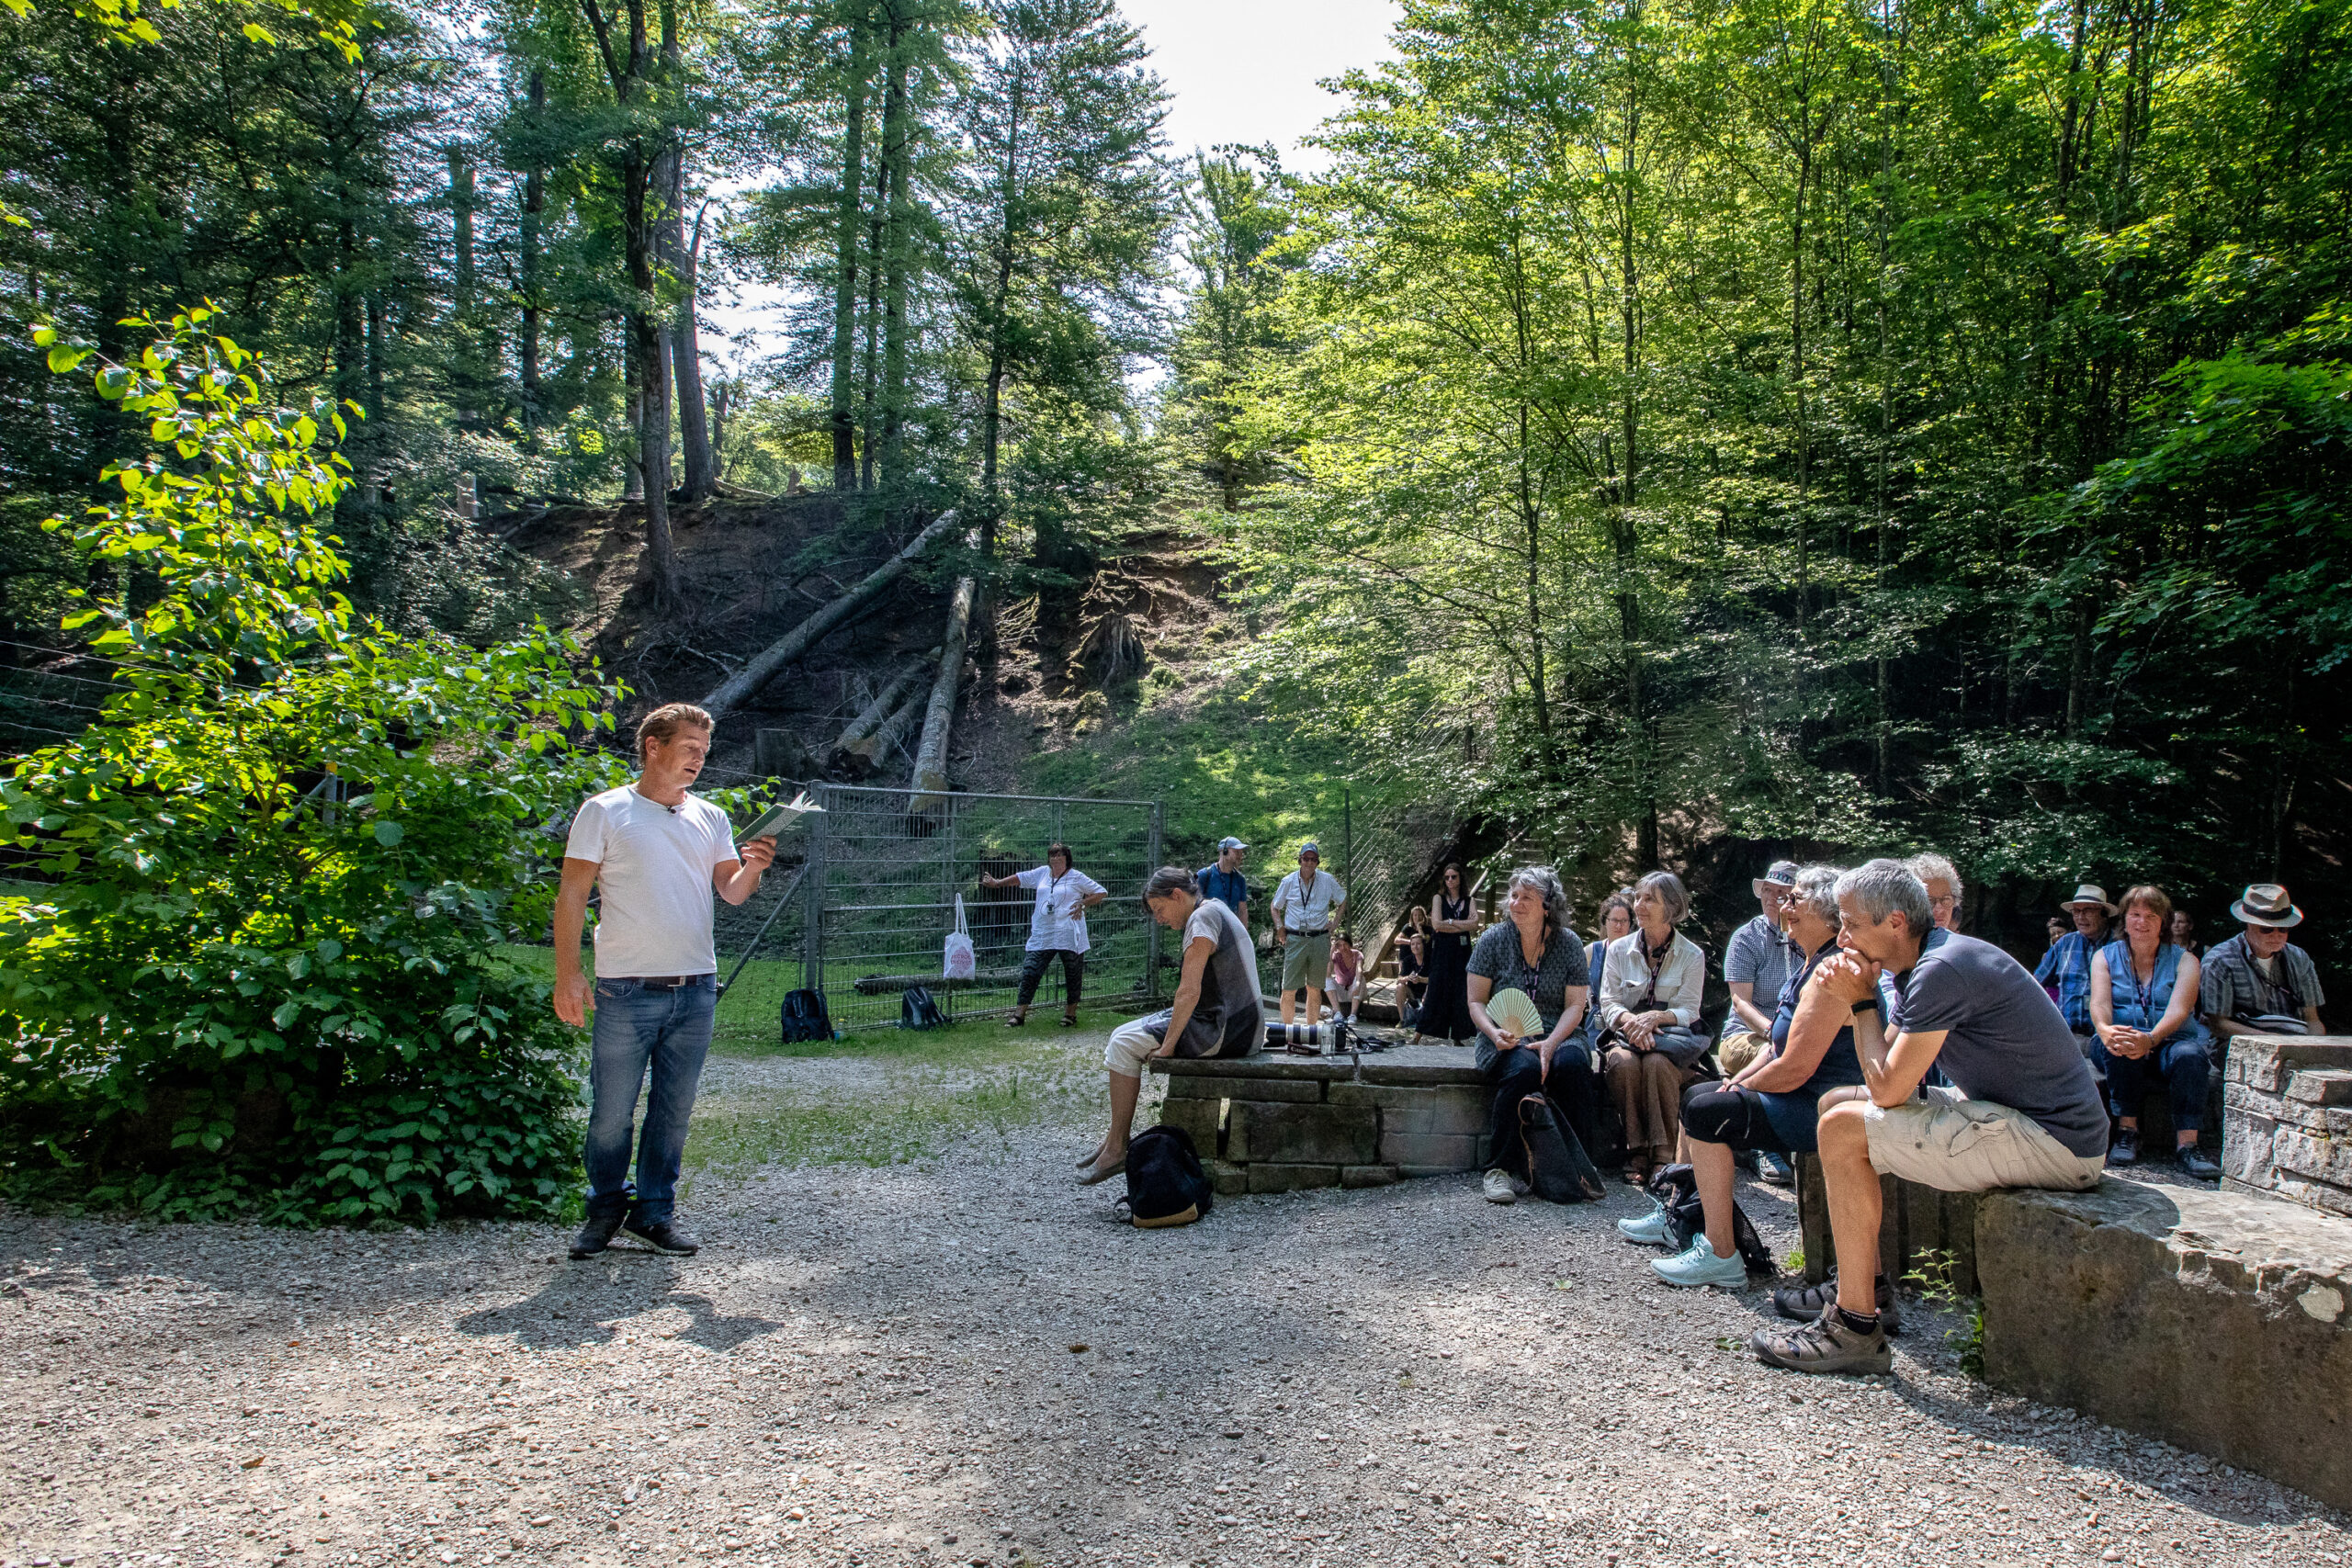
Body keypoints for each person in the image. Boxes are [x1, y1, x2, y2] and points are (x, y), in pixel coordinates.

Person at [1750, 861, 2108, 1375]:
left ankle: (1853, 1327)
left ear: (1895, 922)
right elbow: (1886, 1060)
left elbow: (1889, 1089)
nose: (1842, 936)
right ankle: (1866, 1287)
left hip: (2054, 1144)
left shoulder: (1942, 970)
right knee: (1835, 1104)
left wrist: (1862, 1000)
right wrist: (1862, 1002)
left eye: (1851, 924)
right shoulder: (1928, 960)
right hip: (2021, 1121)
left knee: (1841, 1126)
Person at [555, 703, 778, 1260]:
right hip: (625, 988)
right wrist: (568, 974)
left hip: (696, 987)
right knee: (611, 1111)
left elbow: (731, 892)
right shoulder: (605, 811)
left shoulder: (712, 817)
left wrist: (754, 866)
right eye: (688, 749)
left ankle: (654, 1214)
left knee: (673, 1111)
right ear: (653, 746)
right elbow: (572, 897)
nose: (699, 761)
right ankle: (605, 1209)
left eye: (704, 752)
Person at [1634, 865, 1867, 1290]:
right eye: (1785, 897)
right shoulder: (1811, 961)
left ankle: (1722, 1253)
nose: (1785, 906)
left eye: (1796, 899)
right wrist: (1735, 1082)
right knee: (1701, 1094)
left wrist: (1740, 1086)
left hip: (1819, 1104)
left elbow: (1796, 1065)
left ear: (1827, 912)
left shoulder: (1832, 970)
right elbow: (1777, 1048)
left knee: (1709, 1110)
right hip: (1801, 1091)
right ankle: (1681, 1212)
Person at [1082, 867, 1264, 1185]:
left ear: (1177, 895)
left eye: (1160, 909)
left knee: (1122, 1044)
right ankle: (1115, 1138)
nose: (1159, 919)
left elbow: (1189, 990)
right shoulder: (1214, 908)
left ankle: (1118, 1148)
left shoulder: (1202, 919)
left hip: (1226, 1030)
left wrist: (1167, 1047)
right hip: (1240, 1024)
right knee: (1119, 1035)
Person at [1464, 867, 1596, 1203]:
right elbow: (1476, 1001)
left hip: (1560, 1032)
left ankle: (1575, 1165)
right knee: (1522, 1069)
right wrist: (1494, 1033)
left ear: (1547, 906)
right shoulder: (1493, 939)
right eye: (1514, 896)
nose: (1516, 903)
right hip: (1505, 1035)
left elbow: (1575, 1006)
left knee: (1572, 1066)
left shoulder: (1568, 944)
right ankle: (1499, 1169)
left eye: (1526, 897)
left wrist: (1552, 1043)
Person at [2090, 885, 2216, 1177]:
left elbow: (2180, 1009)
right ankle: (2128, 1132)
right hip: (2121, 1037)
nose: (2142, 922)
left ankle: (2188, 1146)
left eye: (2151, 915)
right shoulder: (2105, 957)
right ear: (2124, 919)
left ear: (2164, 922)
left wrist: (2151, 1038)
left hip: (2170, 1041)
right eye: (2135, 914)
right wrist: (2105, 1029)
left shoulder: (2186, 960)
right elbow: (2099, 1003)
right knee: (2119, 1043)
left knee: (2191, 1055)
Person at [1597, 871, 1709, 1184]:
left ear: (1670, 908)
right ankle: (1637, 1151)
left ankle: (1663, 1155)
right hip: (1626, 1035)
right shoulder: (1618, 950)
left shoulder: (1691, 955)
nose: (1639, 905)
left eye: (1650, 899)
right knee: (1623, 1063)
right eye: (1638, 897)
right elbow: (1608, 1001)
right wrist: (1634, 1023)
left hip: (1670, 1039)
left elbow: (1689, 1009)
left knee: (1658, 1064)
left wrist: (1656, 1019)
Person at [979, 843, 1108, 1027]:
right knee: (1031, 971)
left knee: (1073, 973)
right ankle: (1019, 1015)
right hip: (1043, 933)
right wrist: (997, 883)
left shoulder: (1076, 876)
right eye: (1052, 855)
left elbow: (1101, 892)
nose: (1055, 859)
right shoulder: (1042, 873)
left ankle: (1070, 1014)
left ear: (1066, 858)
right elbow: (1020, 878)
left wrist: (1082, 903)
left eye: (1059, 855)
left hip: (1069, 933)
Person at [2201, 883, 2327, 1040]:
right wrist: (2274, 1040)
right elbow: (2219, 1024)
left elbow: (2313, 1020)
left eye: (2283, 929)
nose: (2276, 935)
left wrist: (2312, 1046)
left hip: (2296, 1039)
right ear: (2249, 924)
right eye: (2267, 929)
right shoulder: (2220, 960)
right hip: (2237, 1043)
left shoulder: (2299, 958)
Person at [1719, 861, 1804, 1076]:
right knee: (1777, 1055)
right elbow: (1740, 1002)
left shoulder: (1808, 936)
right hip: (1747, 1035)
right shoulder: (1746, 938)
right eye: (1767, 890)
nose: (1771, 897)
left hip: (1801, 1033)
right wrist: (1774, 1031)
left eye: (1780, 892)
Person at [1270, 842, 1347, 1029]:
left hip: (1319, 938)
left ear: (1317, 862)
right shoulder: (1288, 881)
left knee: (1314, 987)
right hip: (1295, 938)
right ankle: (1288, 1031)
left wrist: (1334, 924)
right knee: (1289, 988)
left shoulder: (1327, 880)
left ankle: (1311, 1030)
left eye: (1313, 859)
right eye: (1306, 859)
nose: (1309, 863)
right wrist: (1280, 927)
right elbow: (1275, 907)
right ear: (1300, 860)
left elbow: (1343, 900)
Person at [2035, 883, 2116, 1053]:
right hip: (2067, 1038)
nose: (2081, 917)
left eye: (2088, 910)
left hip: (2107, 1041)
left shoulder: (2119, 946)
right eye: (2076, 911)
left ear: (2104, 914)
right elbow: (2035, 985)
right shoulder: (2065, 944)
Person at [1419, 862, 1479, 1043]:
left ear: (1460, 878)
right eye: (1447, 877)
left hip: (1462, 951)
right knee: (1437, 987)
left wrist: (1450, 923)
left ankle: (1459, 1035)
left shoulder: (1469, 901)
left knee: (1461, 990)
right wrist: (1461, 925)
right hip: (1443, 950)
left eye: (1454, 876)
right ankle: (1420, 1032)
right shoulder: (1438, 898)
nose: (1450, 880)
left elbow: (1475, 924)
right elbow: (1437, 924)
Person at [1197, 837, 1251, 929]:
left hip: (1230, 932)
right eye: (1236, 852)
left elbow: (1242, 910)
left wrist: (1243, 937)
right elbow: (1193, 904)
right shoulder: (1204, 875)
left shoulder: (1240, 879)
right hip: (1207, 929)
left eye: (1241, 852)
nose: (1240, 855)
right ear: (1224, 851)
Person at [1906, 852, 1963, 931]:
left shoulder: (1968, 944)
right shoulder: (1888, 942)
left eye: (1946, 900)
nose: (1939, 910)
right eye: (1929, 901)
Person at [1397, 906, 1432, 1036]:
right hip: (1412, 991)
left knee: (1431, 986)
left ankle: (1425, 1022)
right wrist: (1407, 978)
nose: (1415, 946)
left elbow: (1435, 978)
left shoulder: (1430, 959)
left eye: (1418, 944)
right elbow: (1399, 978)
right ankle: (1403, 1020)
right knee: (1400, 986)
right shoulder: (1407, 960)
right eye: (1413, 944)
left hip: (1427, 992)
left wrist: (1421, 979)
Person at [1326, 931, 1364, 1024]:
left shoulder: (1358, 954)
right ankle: (1338, 1013)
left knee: (1361, 978)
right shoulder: (1336, 955)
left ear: (1350, 944)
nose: (1343, 948)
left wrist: (1358, 983)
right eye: (1340, 945)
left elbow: (1359, 969)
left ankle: (1353, 1015)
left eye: (1345, 944)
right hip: (1341, 991)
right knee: (1327, 979)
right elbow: (1327, 973)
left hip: (1355, 990)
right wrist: (1331, 952)